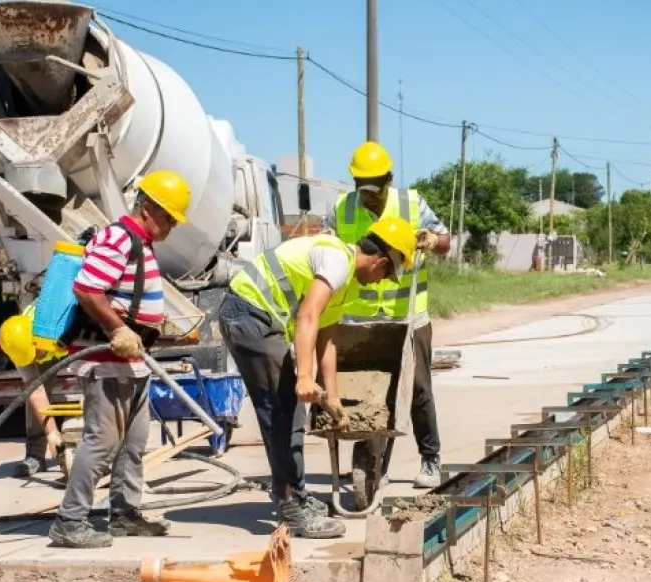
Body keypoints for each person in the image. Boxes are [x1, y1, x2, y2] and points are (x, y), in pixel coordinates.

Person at [217, 216, 416, 538]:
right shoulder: (337, 261)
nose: (381, 282)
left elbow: (327, 340)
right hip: (248, 312)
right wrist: (304, 377)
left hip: (258, 317)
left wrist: (333, 399)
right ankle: (291, 508)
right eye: (386, 274)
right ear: (379, 261)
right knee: (283, 412)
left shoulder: (347, 284)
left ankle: (296, 495)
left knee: (289, 411)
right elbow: (308, 315)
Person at [48, 170, 191, 549]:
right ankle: (70, 520)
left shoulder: (141, 244)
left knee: (133, 442)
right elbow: (87, 288)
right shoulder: (118, 238)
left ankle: (124, 513)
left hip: (134, 359)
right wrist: (117, 330)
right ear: (147, 209)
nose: (173, 226)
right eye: (169, 218)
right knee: (103, 442)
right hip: (109, 358)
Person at [323, 142, 451, 489]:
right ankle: (372, 460)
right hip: (359, 319)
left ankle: (430, 458)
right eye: (361, 188)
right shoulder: (341, 208)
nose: (368, 197)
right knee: (365, 391)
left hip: (408, 316)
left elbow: (446, 242)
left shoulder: (412, 204)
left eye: (375, 189)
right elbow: (326, 248)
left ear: (388, 180)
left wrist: (432, 240)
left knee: (418, 388)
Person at [0, 307, 68, 478]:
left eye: (35, 355)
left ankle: (98, 450)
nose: (34, 360)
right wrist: (53, 434)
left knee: (94, 387)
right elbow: (36, 391)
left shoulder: (61, 319)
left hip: (68, 336)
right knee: (34, 399)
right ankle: (35, 455)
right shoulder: (17, 342)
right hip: (48, 345)